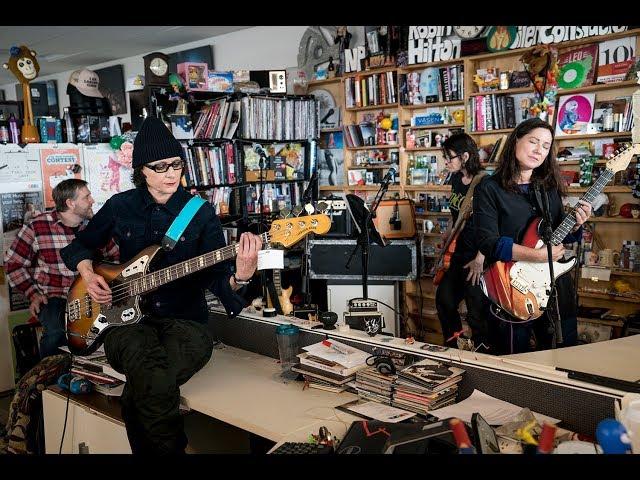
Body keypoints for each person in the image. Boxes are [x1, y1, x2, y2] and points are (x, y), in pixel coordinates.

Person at [60, 117, 262, 454]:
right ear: (142, 171)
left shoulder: (199, 212)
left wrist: (241, 274)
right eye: (161, 166)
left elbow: (216, 276)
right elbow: (79, 247)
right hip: (124, 321)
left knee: (146, 385)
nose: (172, 173)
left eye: (177, 165)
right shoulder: (119, 206)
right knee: (145, 364)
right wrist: (88, 272)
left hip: (185, 321)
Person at [473, 117, 592, 354]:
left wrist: (576, 225)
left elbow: (558, 236)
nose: (539, 150)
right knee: (512, 359)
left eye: (546, 146)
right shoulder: (489, 188)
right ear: (516, 140)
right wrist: (536, 256)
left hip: (555, 286)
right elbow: (487, 242)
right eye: (533, 142)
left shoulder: (547, 187)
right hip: (512, 287)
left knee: (563, 355)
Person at [4, 179, 116, 358]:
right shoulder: (37, 226)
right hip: (54, 297)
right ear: (70, 203)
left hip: (92, 296)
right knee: (57, 333)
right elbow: (13, 263)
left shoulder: (95, 225)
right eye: (87, 197)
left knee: (112, 334)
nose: (92, 201)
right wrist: (33, 293)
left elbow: (116, 258)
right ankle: (49, 381)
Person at [434, 133, 490, 349]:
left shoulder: (485, 183)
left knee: (477, 315)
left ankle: (481, 358)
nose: (446, 162)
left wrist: (480, 258)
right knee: (444, 301)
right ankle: (454, 347)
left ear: (465, 156)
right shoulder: (457, 179)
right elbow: (456, 214)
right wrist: (448, 233)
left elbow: (491, 226)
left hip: (477, 259)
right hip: (458, 255)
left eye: (449, 157)